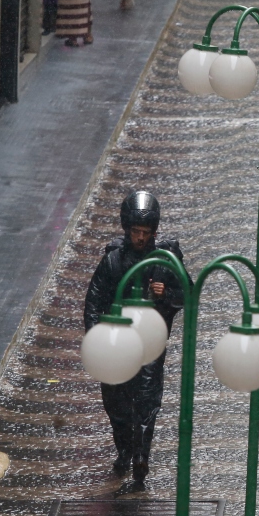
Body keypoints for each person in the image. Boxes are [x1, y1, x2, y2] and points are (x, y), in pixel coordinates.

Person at [84, 192, 183, 484]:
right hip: (116, 344)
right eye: (136, 232)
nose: (141, 238)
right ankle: (125, 450)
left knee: (146, 401)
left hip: (150, 344)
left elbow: (188, 293)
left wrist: (169, 294)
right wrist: (96, 338)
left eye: (146, 233)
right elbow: (94, 299)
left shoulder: (166, 258)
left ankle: (142, 455)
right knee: (116, 401)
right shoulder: (113, 259)